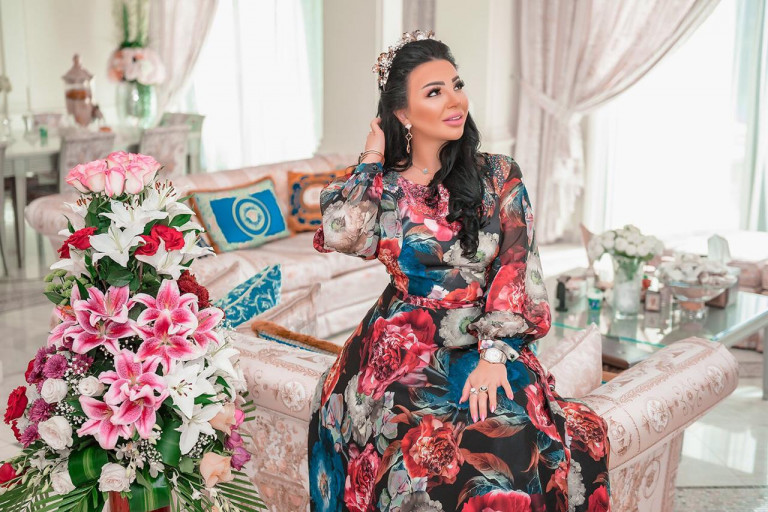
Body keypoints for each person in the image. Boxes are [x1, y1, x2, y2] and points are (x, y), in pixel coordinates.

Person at [308, 30, 611, 512]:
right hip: (401, 344)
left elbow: (517, 267)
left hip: (487, 339)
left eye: (456, 84)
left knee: (507, 439)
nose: (455, 101)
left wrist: (494, 356)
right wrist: (372, 152)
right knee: (413, 457)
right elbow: (341, 231)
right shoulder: (384, 190)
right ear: (402, 115)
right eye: (434, 92)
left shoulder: (497, 175)